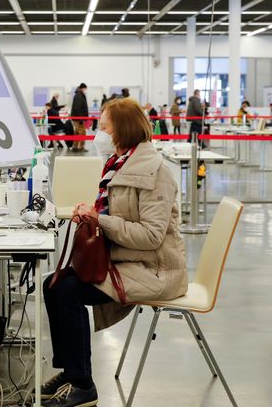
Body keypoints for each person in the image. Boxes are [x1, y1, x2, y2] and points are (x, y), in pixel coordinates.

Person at [40, 97, 187, 407]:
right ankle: (72, 371)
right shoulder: (119, 164)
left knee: (66, 290)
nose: (98, 131)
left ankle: (83, 386)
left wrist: (101, 220)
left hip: (155, 268)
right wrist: (92, 213)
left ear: (122, 130)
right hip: (127, 258)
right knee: (53, 284)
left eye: (104, 125)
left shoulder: (155, 172)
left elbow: (150, 236)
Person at [70, 83, 89, 152]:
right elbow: (77, 108)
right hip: (78, 118)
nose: (85, 90)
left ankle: (75, 146)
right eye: (85, 88)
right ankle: (81, 147)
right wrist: (81, 118)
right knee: (82, 132)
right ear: (82, 88)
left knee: (77, 132)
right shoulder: (79, 96)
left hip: (77, 118)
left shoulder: (79, 95)